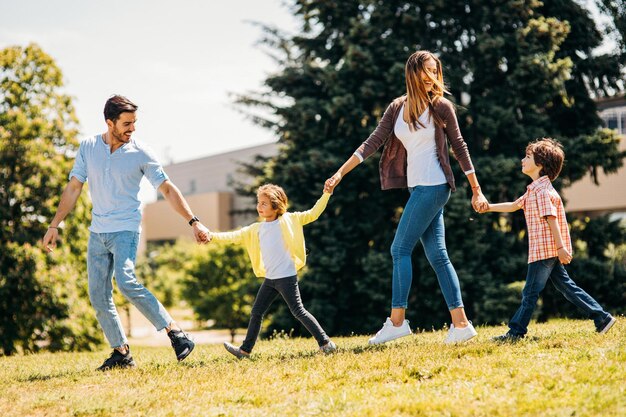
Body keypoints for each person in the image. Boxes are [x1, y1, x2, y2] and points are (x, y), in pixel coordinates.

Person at [325, 50, 488, 345]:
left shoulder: (441, 107)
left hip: (434, 186)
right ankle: (461, 325)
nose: (432, 77)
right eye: (427, 71)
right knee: (438, 256)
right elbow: (373, 141)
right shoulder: (398, 107)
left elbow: (459, 147)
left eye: (435, 71)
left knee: (399, 249)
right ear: (413, 73)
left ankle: (397, 321)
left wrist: (476, 189)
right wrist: (340, 173)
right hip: (418, 188)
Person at [42, 95, 210, 370]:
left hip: (126, 228)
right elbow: (74, 188)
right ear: (109, 123)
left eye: (134, 123)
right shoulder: (89, 147)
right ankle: (121, 352)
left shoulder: (141, 152)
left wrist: (193, 221)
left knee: (126, 280)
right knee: (98, 294)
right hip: (98, 231)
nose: (132, 129)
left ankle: (176, 333)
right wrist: (54, 224)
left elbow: (166, 189)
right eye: (127, 123)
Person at [480, 138, 615, 340]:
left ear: (540, 165)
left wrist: (561, 247)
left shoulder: (542, 192)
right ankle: (602, 318)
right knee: (567, 288)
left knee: (530, 293)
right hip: (547, 250)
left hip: (544, 251)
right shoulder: (534, 189)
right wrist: (488, 207)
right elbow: (514, 205)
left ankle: (516, 332)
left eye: (527, 157)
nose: (522, 160)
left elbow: (551, 219)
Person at [210, 184, 337, 358]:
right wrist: (211, 236)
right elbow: (233, 236)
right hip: (270, 279)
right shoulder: (257, 229)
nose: (259, 207)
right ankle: (245, 351)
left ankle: (326, 343)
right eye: (258, 203)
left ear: (276, 205)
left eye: (264, 203)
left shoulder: (291, 220)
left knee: (298, 311)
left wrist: (326, 194)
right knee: (256, 312)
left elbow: (313, 213)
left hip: (286, 277)